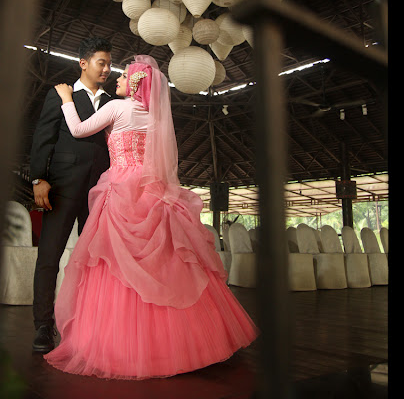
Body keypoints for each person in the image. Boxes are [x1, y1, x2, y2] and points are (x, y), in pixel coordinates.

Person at [44, 54, 258, 379]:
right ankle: (186, 345)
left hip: (120, 188)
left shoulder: (117, 108)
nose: (116, 79)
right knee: (166, 264)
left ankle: (121, 345)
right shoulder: (154, 116)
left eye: (123, 76)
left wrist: (65, 99)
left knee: (115, 265)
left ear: (134, 83)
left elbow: (77, 129)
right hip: (152, 190)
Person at [29, 36, 113, 353]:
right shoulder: (59, 95)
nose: (106, 68)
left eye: (109, 63)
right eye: (101, 62)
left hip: (100, 190)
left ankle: (89, 324)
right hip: (62, 187)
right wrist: (39, 177)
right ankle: (43, 327)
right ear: (83, 63)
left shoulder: (111, 102)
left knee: (95, 261)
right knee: (49, 257)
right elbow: (43, 137)